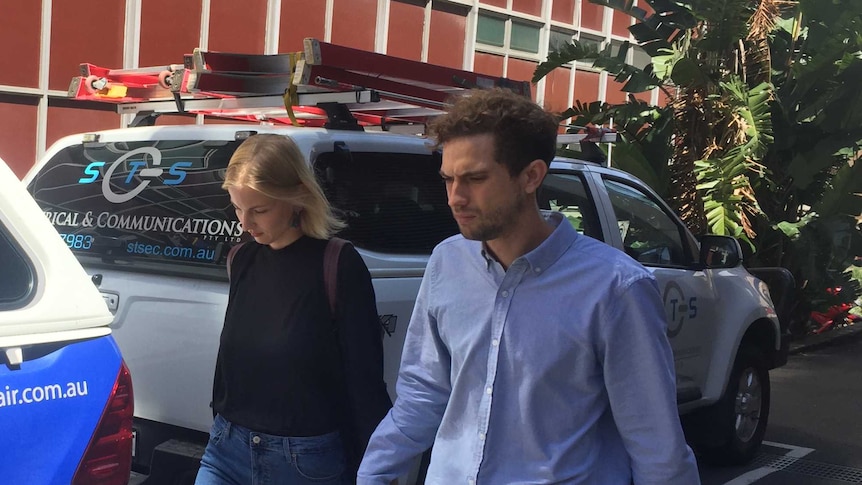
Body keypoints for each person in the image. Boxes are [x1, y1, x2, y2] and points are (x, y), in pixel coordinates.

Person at [357, 89, 700, 484]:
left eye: (475, 179)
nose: (455, 198)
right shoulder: (447, 262)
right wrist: (373, 475)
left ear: (531, 176)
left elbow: (655, 445)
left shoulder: (616, 288)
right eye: (448, 179)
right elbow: (423, 392)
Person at [196, 134, 392, 485]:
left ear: (296, 197)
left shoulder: (339, 263)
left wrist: (379, 464)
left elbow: (364, 377)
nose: (244, 222)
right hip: (226, 448)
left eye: (259, 210)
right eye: (237, 207)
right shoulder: (241, 258)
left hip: (304, 462)